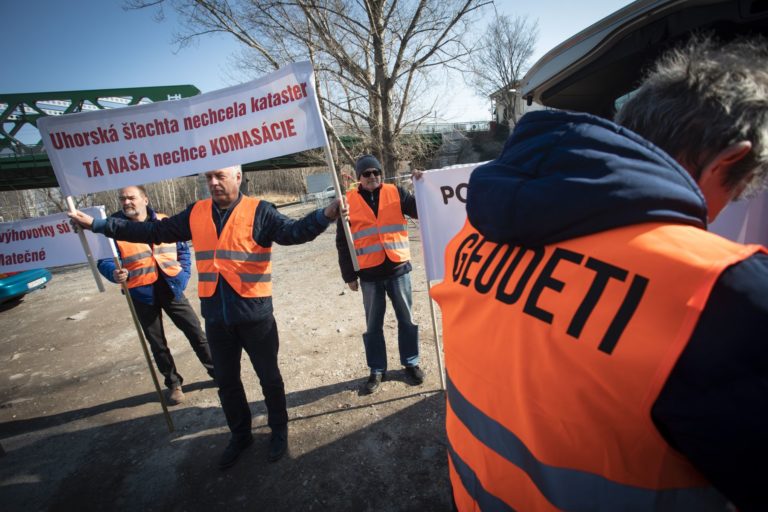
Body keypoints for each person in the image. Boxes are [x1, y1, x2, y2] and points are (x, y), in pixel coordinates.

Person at [431, 35, 768, 511]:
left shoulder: (473, 233)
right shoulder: (720, 292)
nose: (717, 213)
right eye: (734, 193)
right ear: (731, 158)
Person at [70, 165, 344, 470]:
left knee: (270, 378)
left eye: (220, 176)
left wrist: (325, 214)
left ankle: (279, 430)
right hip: (216, 317)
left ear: (238, 177)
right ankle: (241, 435)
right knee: (226, 383)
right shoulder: (196, 213)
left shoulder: (260, 211)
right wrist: (99, 225)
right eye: (208, 177)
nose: (213, 182)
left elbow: (293, 233)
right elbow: (153, 231)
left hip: (255, 315)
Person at [98, 185, 214, 405]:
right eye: (122, 199)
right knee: (157, 343)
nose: (126, 202)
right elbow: (103, 260)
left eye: (131, 198)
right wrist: (114, 273)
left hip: (171, 287)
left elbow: (182, 250)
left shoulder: (163, 220)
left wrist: (183, 275)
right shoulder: (112, 228)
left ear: (145, 199)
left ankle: (217, 372)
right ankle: (173, 384)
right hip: (140, 292)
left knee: (196, 333)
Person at [336, 155, 424, 394]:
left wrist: (422, 185)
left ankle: (411, 362)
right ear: (359, 178)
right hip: (369, 274)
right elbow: (343, 242)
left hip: (398, 269)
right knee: (373, 325)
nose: (372, 176)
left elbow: (420, 210)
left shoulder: (397, 192)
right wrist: (349, 276)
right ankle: (377, 369)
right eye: (367, 173)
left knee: (407, 319)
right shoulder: (347, 202)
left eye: (376, 172)